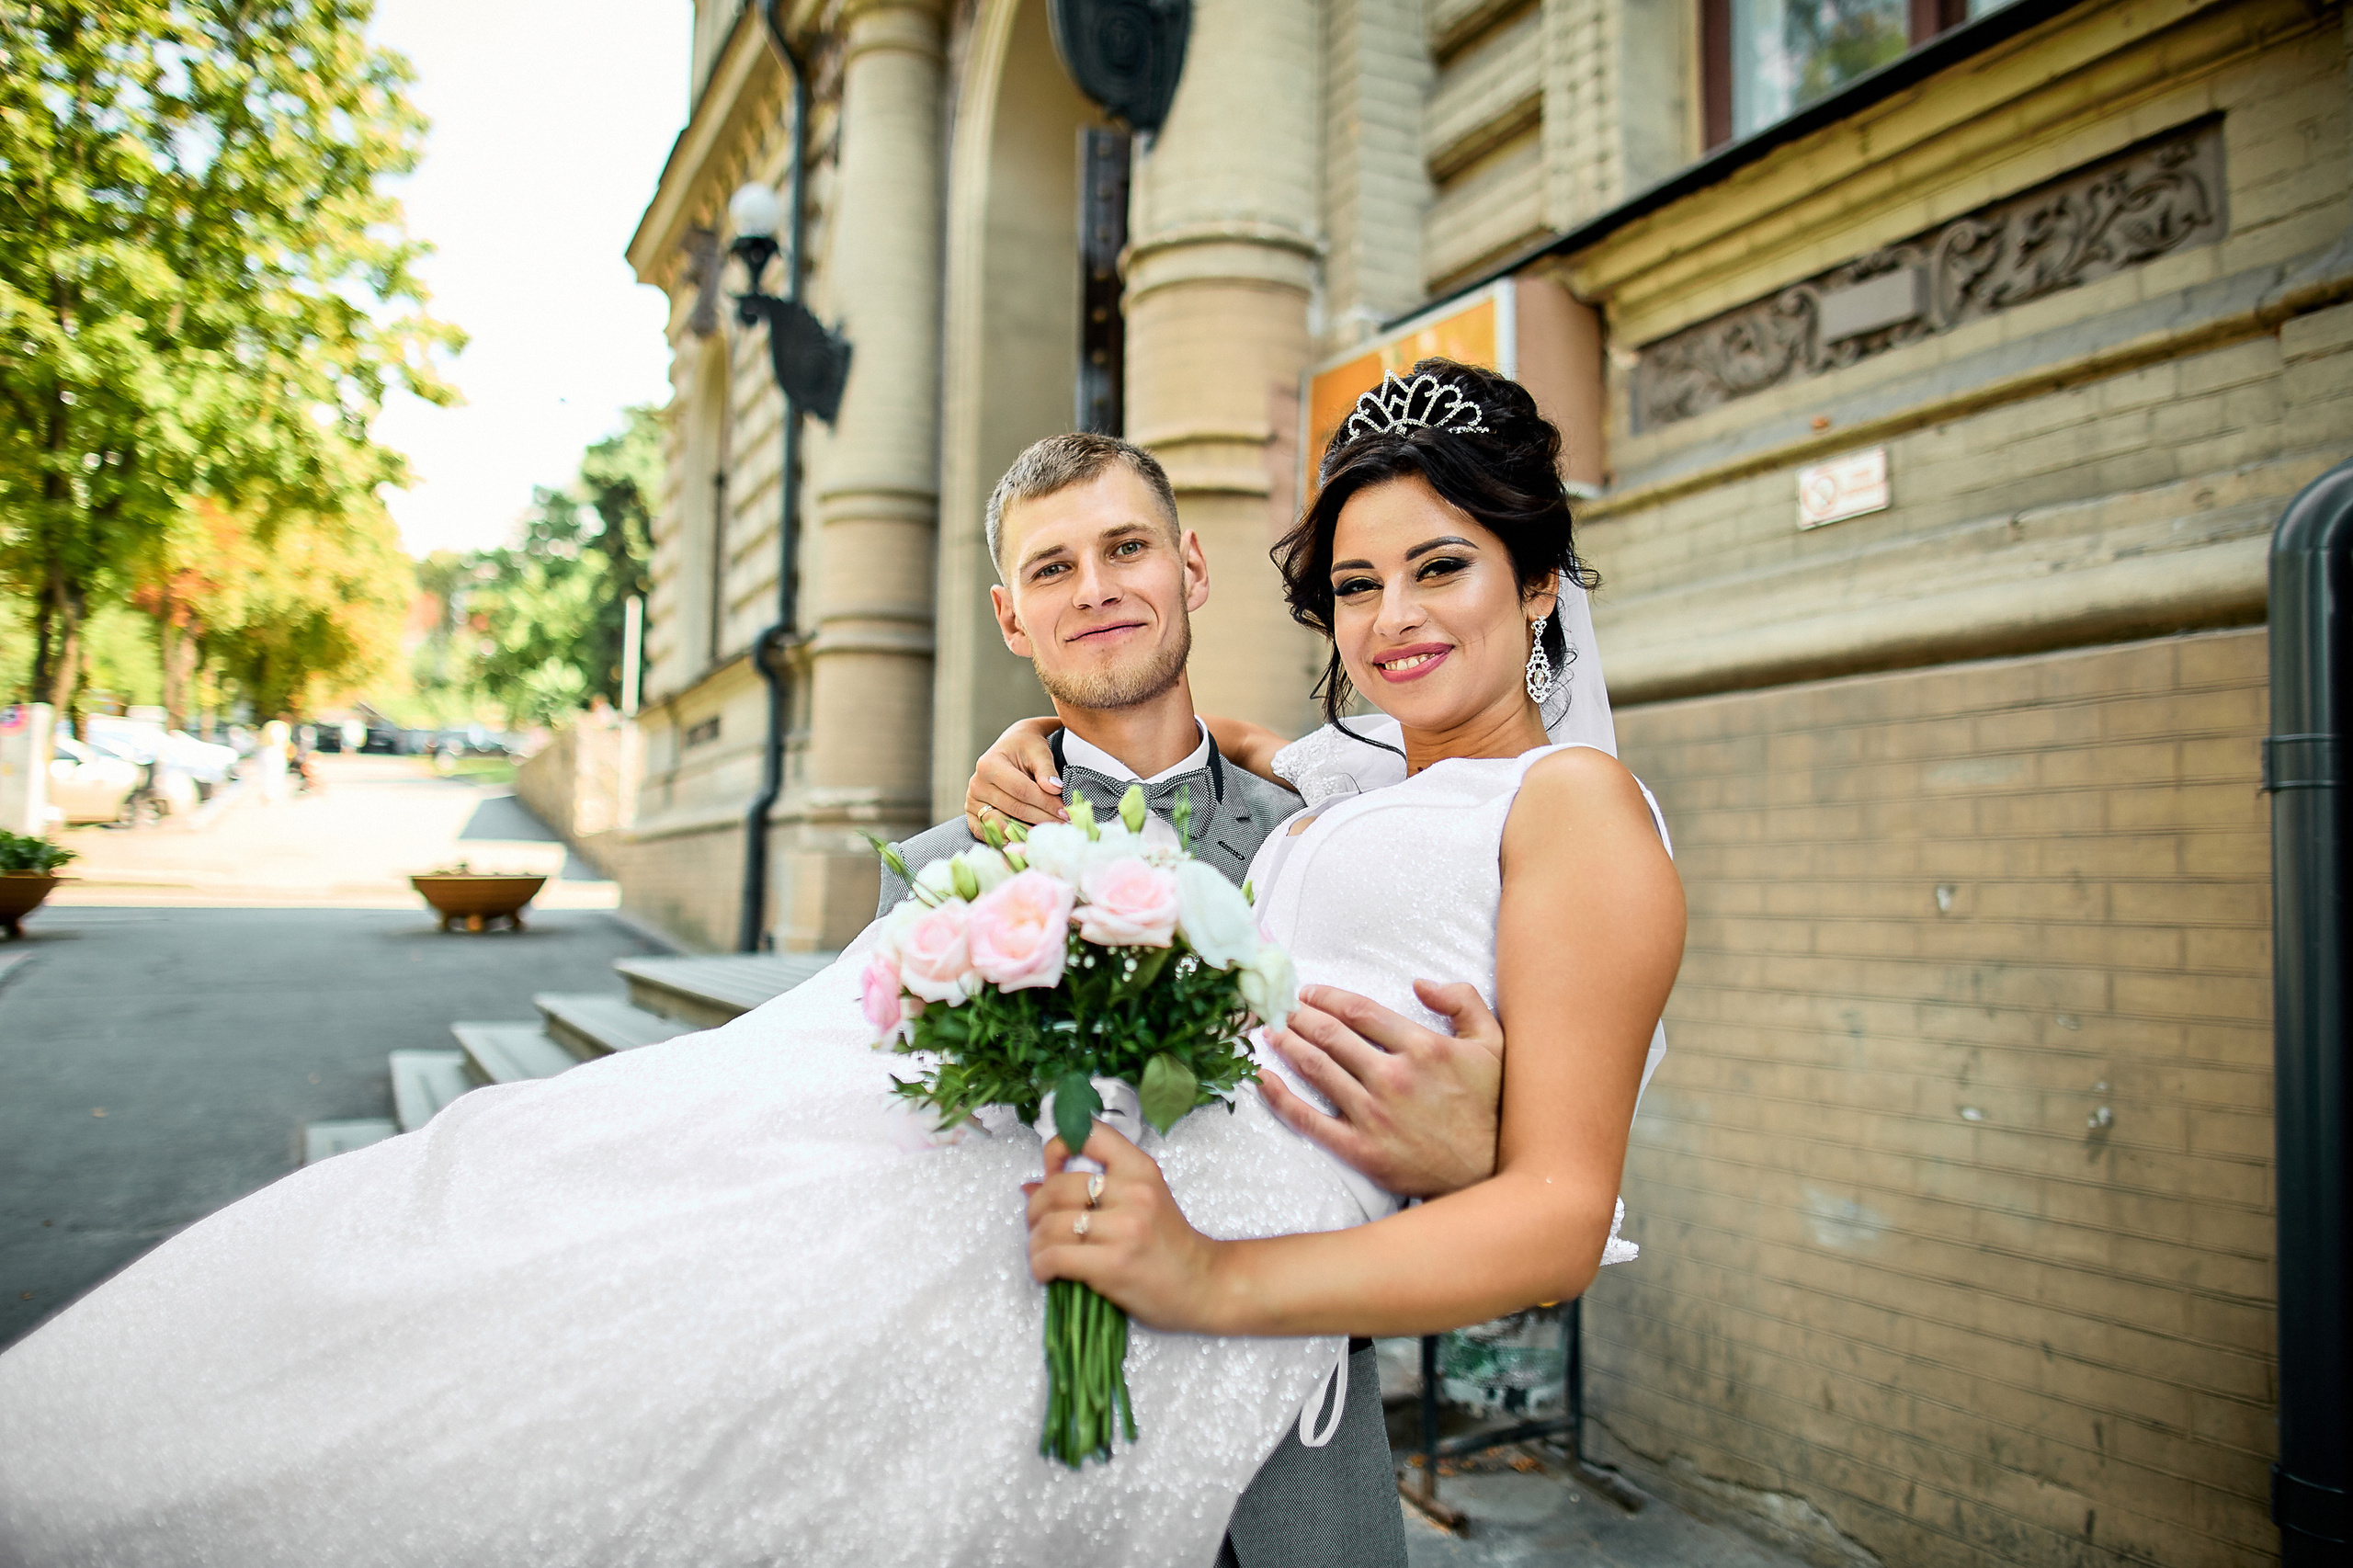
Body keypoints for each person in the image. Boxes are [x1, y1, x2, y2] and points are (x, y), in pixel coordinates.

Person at [0, 360, 1681, 1568]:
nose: (1394, 619)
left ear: (1540, 582)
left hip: (1252, 1407)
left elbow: (1547, 1171)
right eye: (1362, 584)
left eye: (1444, 568)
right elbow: (1317, 812)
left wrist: (1482, 1151)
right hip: (953, 1322)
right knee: (531, 1247)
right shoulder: (1316, 789)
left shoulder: (1547, 805)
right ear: (1013, 621)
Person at [880, 432, 1517, 1567]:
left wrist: (1469, 1152)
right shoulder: (937, 878)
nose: (1097, 588)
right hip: (1034, 1473)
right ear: (1010, 617)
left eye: (1127, 548)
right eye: (1051, 568)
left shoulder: (1331, 844)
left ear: (1192, 569)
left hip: (1296, 1483)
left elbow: (1491, 1184)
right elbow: (891, 1188)